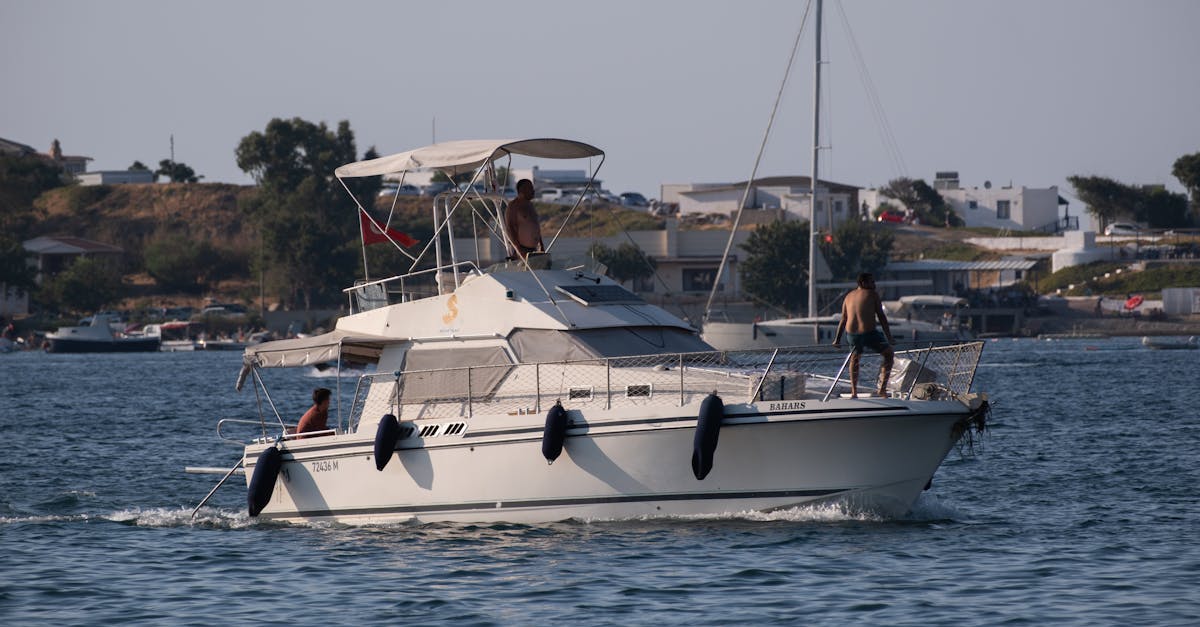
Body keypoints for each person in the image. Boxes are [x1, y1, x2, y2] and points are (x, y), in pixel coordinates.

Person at [832, 272, 896, 399]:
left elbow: (843, 319)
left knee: (855, 359)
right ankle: (882, 390)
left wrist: (837, 339)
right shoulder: (872, 294)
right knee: (889, 355)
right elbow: (881, 317)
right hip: (869, 333)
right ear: (863, 283)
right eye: (871, 282)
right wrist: (889, 337)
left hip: (852, 334)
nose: (874, 284)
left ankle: (854, 392)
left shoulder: (848, 296)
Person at [504, 179, 544, 259]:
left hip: (534, 250)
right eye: (531, 188)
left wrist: (541, 245)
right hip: (521, 251)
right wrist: (518, 249)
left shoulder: (530, 205)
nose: (533, 191)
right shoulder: (513, 206)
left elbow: (535, 226)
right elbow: (510, 228)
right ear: (523, 190)